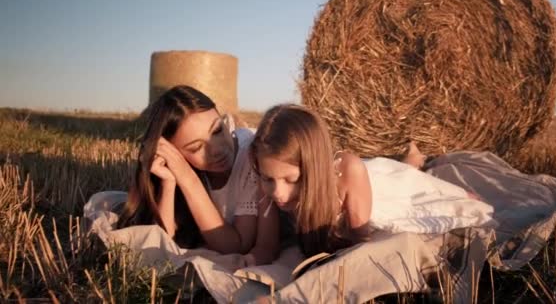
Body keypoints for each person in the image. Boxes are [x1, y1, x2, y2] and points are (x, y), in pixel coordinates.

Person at [249, 104, 494, 257]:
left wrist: (456, 198)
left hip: (376, 186)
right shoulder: (267, 179)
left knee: (418, 183)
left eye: (292, 180)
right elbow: (265, 247)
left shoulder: (347, 173)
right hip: (363, 173)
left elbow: (360, 245)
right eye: (269, 179)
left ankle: (414, 158)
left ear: (314, 168)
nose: (278, 193)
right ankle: (410, 158)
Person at [118, 85, 279, 266]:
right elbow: (163, 242)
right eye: (196, 148)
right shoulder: (182, 168)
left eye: (217, 130)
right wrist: (169, 182)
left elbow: (238, 245)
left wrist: (188, 178)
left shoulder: (252, 157)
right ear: (173, 153)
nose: (217, 149)